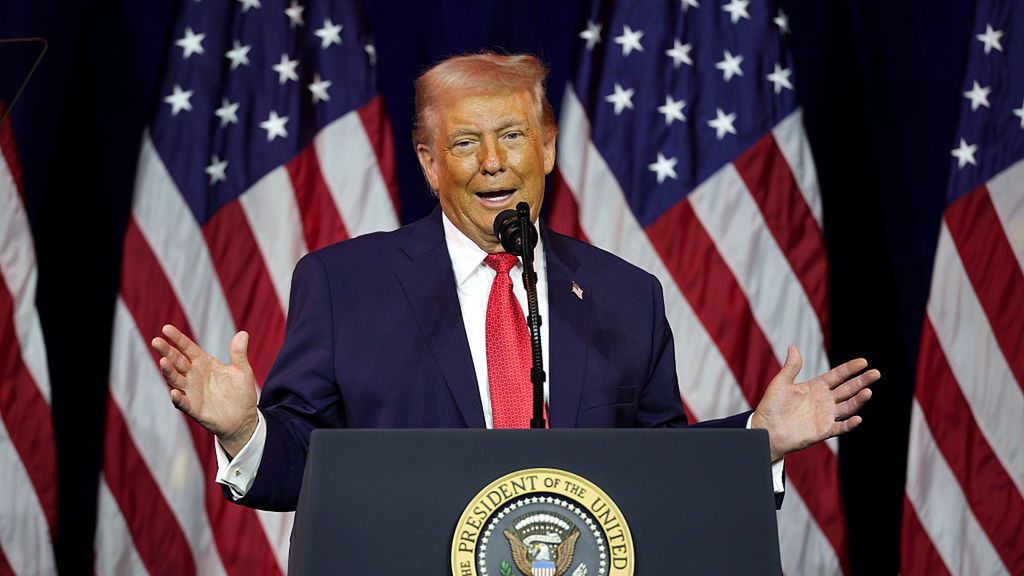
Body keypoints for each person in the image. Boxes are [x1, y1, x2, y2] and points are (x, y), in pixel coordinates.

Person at [151, 53, 879, 512]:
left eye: (513, 136)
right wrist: (247, 430)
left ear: (549, 148)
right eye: (465, 142)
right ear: (431, 164)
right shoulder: (345, 286)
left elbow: (657, 471)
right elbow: (302, 474)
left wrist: (759, 439)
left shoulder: (627, 295)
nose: (493, 162)